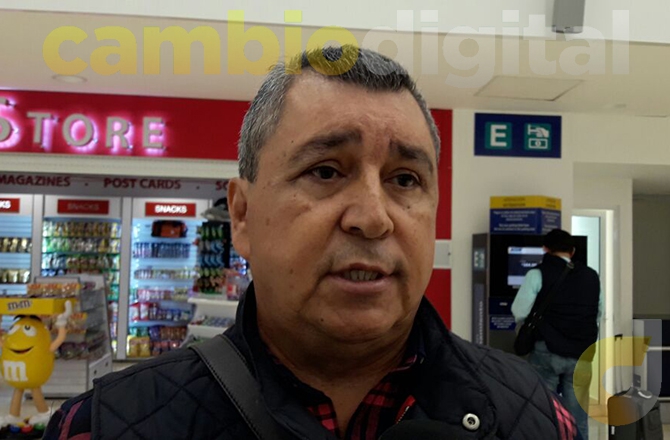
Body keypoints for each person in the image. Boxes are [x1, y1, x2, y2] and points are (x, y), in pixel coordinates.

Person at [45, 45, 579, 440]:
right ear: (242, 215)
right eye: (325, 171)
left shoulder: (538, 419)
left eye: (405, 179)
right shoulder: (103, 426)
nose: (373, 218)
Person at [512, 229, 602, 440]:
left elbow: (519, 311)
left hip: (546, 350)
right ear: (572, 251)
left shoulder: (537, 274)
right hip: (582, 352)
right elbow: (599, 311)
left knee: (544, 411)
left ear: (545, 249)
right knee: (578, 416)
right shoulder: (591, 276)